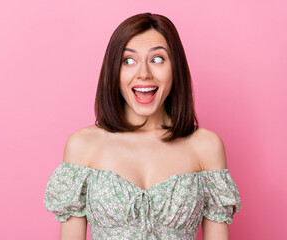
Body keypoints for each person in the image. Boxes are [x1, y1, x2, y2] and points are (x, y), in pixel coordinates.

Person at [43, 12, 242, 240]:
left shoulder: (206, 146)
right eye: (128, 60)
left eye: (157, 59)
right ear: (113, 71)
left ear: (175, 68)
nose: (144, 74)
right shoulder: (83, 146)